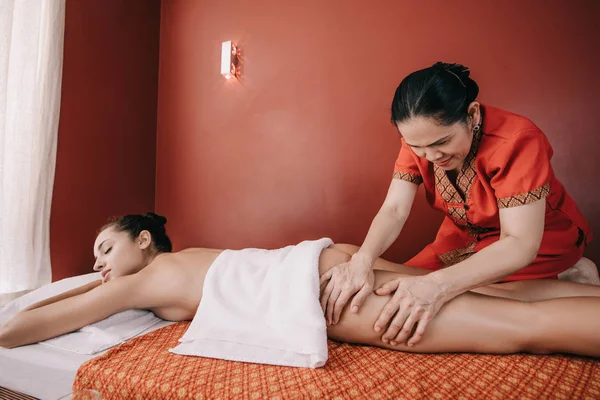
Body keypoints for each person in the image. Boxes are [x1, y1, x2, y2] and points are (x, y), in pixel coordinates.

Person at [1, 213, 600, 359]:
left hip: (324, 294)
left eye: (106, 249)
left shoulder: (145, 279)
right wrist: (87, 279)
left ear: (144, 240)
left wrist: (69, 290)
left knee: (523, 330)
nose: (100, 266)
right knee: (506, 296)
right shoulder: (190, 258)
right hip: (332, 260)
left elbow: (16, 330)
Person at [319, 62, 598, 348]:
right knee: (401, 283)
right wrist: (362, 261)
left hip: (536, 239)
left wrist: (439, 286)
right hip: (464, 238)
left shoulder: (518, 140)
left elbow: (520, 243)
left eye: (442, 142)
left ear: (472, 114)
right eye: (416, 147)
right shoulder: (420, 138)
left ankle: (573, 274)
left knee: (480, 295)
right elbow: (394, 209)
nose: (430, 155)